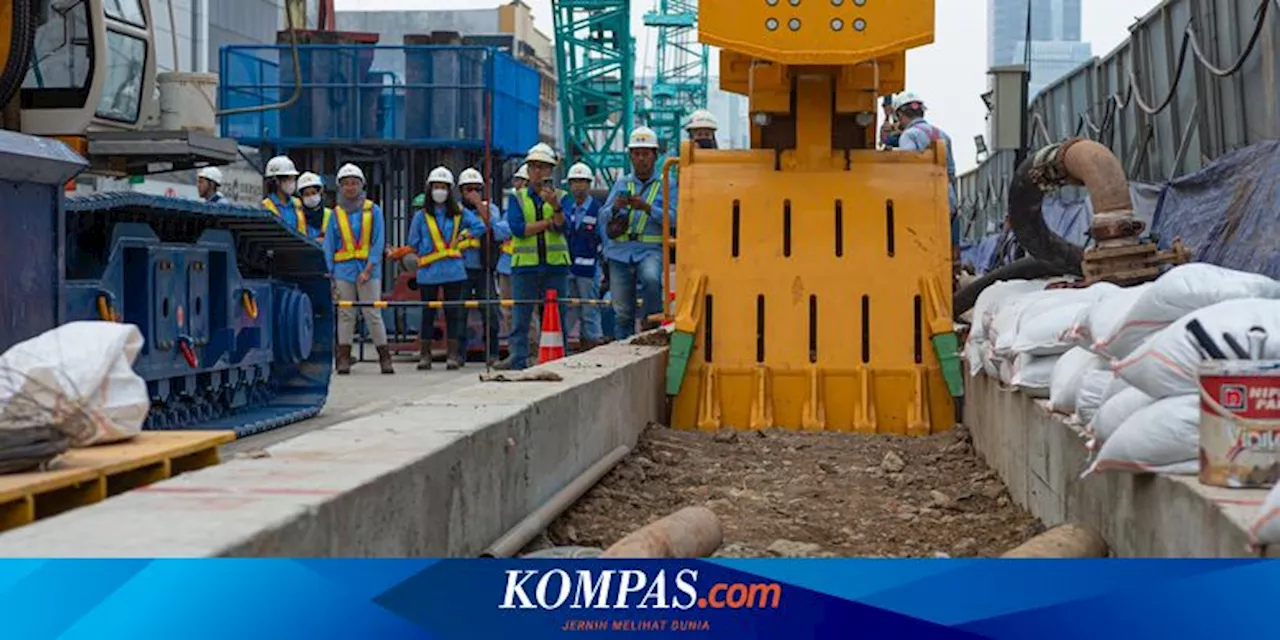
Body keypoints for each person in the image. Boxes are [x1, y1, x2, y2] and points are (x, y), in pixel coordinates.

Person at [404, 166, 487, 371]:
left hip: (453, 270)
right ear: (429, 189)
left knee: (453, 313)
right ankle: (425, 354)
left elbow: (480, 226)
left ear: (450, 190)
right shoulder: (421, 216)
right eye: (436, 187)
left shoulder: (459, 212)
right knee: (428, 315)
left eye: (443, 187)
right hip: (429, 271)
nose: (439, 191)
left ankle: (453, 355)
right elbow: (412, 242)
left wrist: (464, 235)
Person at [600, 126, 677, 340]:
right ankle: (622, 346)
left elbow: (675, 218)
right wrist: (615, 207)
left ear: (655, 156)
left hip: (650, 251)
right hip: (620, 252)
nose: (641, 159)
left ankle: (650, 325)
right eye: (636, 154)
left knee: (651, 279)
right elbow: (603, 216)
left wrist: (648, 208)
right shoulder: (622, 183)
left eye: (645, 154)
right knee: (622, 310)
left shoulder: (667, 185)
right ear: (630, 156)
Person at [502, 143, 569, 370]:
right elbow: (519, 229)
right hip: (526, 267)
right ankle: (518, 360)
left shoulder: (561, 197)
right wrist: (548, 223)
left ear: (551, 171)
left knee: (557, 316)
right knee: (521, 317)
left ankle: (561, 359)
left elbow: (562, 227)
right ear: (528, 171)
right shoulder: (517, 198)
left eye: (543, 167)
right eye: (533, 167)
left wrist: (555, 209)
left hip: (555, 267)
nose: (538, 172)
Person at [324, 163, 393, 375]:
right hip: (343, 271)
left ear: (361, 186)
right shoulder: (335, 213)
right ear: (340, 187)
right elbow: (329, 244)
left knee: (373, 314)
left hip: (368, 271)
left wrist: (368, 268)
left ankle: (385, 358)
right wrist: (330, 274)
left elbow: (378, 241)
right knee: (346, 314)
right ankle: (343, 358)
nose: (350, 188)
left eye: (354, 183)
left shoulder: (373, 210)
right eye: (346, 184)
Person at [456, 167, 509, 366]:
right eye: (468, 189)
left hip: (483, 267)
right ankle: (459, 354)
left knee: (490, 312)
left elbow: (497, 229)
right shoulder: (456, 211)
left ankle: (492, 353)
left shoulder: (490, 209)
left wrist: (479, 205)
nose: (472, 193)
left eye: (476, 189)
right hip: (460, 268)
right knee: (459, 312)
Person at [892, 91, 959, 247]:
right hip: (947, 196)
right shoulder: (943, 135)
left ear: (900, 115)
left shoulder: (909, 136)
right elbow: (951, 172)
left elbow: (909, 171)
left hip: (924, 200)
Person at [561, 162, 605, 351]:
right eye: (575, 182)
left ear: (589, 185)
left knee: (589, 310)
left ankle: (592, 345)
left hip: (589, 270)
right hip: (569, 268)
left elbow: (605, 241)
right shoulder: (567, 210)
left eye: (582, 182)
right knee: (569, 309)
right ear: (569, 185)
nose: (578, 186)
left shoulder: (598, 211)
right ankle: (561, 342)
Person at [261, 155, 308, 235]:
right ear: (277, 181)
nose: (292, 183)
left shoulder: (297, 203)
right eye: (289, 179)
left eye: (293, 178)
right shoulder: (265, 206)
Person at [297, 171, 332, 241]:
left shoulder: (331, 215)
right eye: (306, 194)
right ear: (301, 197)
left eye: (313, 193)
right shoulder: (297, 216)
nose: (311, 197)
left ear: (320, 193)